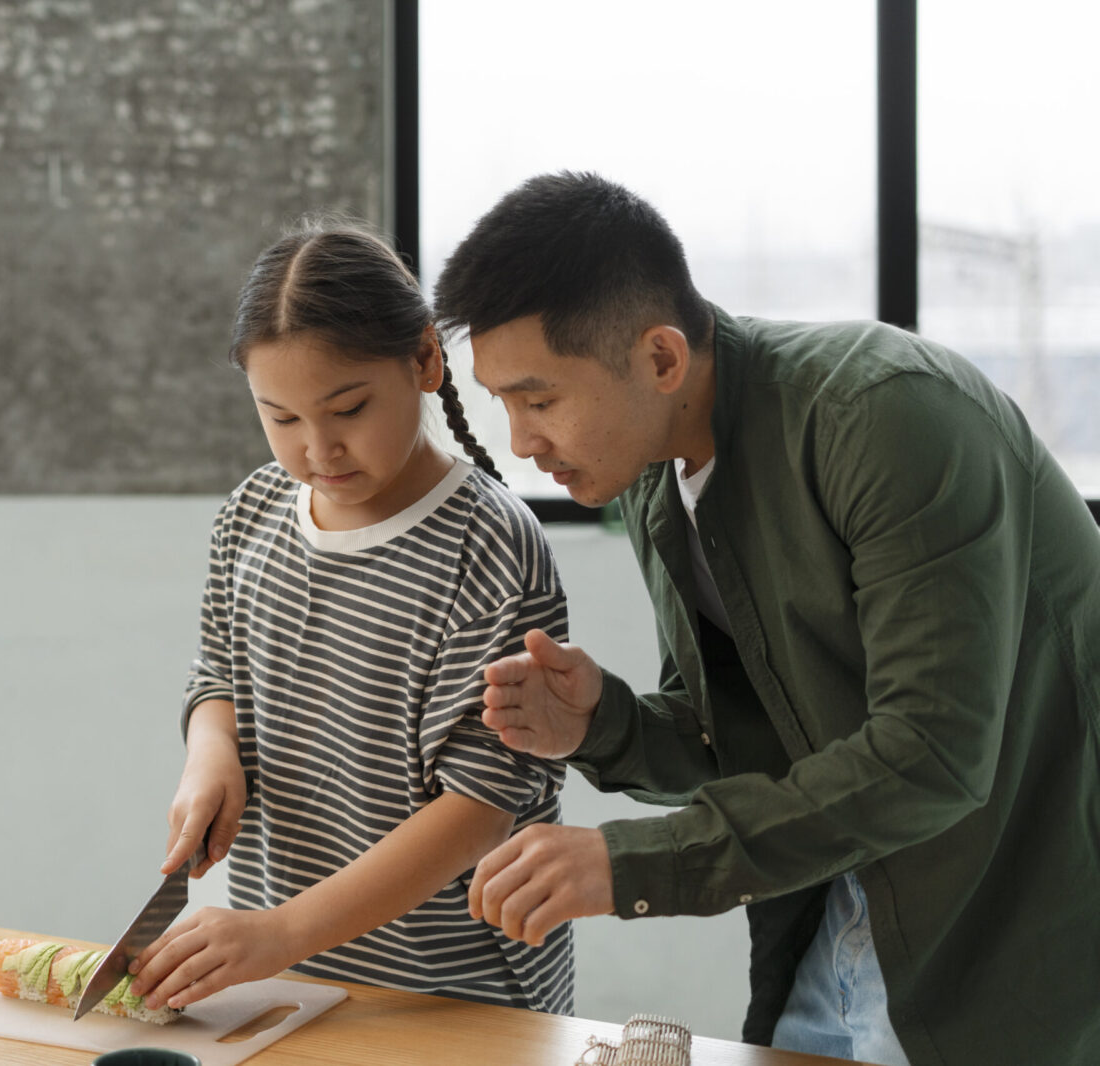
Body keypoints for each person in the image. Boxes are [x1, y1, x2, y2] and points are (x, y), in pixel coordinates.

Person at [433, 172, 1100, 1066]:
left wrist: (629, 865)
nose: (519, 441)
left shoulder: (886, 414)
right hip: (842, 924)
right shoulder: (656, 482)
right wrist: (606, 724)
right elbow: (751, 745)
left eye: (540, 399)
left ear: (661, 359)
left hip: (1015, 931)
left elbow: (933, 756)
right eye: (503, 403)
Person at [125, 221, 576, 1016]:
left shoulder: (492, 546)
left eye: (348, 408)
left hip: (456, 998)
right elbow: (217, 674)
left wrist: (278, 932)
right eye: (282, 418)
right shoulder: (252, 513)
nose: (318, 449)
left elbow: (478, 807)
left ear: (426, 361)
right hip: (287, 985)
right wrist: (211, 752)